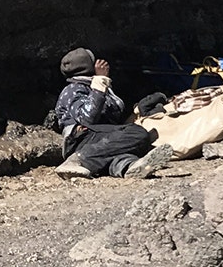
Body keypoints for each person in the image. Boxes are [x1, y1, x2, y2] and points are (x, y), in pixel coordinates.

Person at [52, 48, 171, 179]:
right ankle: (79, 160)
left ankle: (128, 167)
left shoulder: (92, 87)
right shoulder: (73, 89)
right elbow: (87, 119)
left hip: (100, 139)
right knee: (138, 133)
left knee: (119, 151)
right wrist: (100, 80)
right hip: (82, 138)